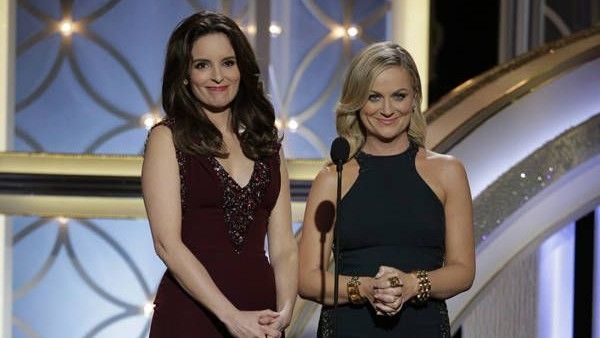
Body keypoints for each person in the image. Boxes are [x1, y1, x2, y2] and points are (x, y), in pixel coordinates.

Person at [298, 42, 475, 337]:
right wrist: (365, 288)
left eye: (399, 96)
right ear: (357, 102)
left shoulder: (448, 172)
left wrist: (410, 285)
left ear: (414, 98)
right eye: (374, 97)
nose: (388, 109)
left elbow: (463, 270)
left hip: (423, 328)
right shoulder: (333, 178)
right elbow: (307, 280)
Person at [142, 11, 297, 338]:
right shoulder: (167, 139)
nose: (217, 76)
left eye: (228, 63)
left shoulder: (266, 143)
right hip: (192, 316)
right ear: (184, 75)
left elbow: (283, 245)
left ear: (242, 68)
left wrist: (285, 312)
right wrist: (230, 316)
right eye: (202, 65)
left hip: (262, 316)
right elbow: (166, 244)